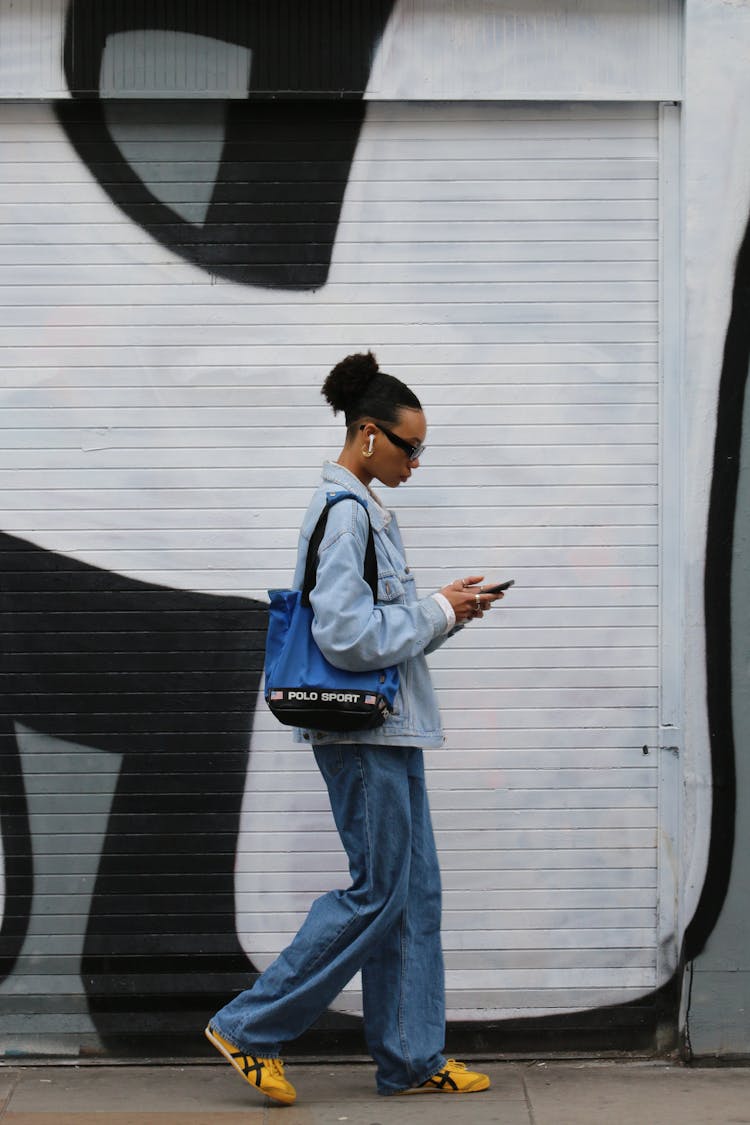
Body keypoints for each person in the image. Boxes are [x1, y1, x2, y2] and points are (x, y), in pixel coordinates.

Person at [204, 351, 505, 1103]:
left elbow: (383, 632)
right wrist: (435, 608)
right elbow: (344, 636)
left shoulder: (366, 511)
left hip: (391, 731)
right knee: (378, 892)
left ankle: (410, 1057)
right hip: (364, 737)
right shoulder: (345, 515)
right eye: (411, 447)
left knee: (413, 894)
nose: (416, 462)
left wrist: (448, 610)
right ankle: (248, 1026)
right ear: (368, 434)